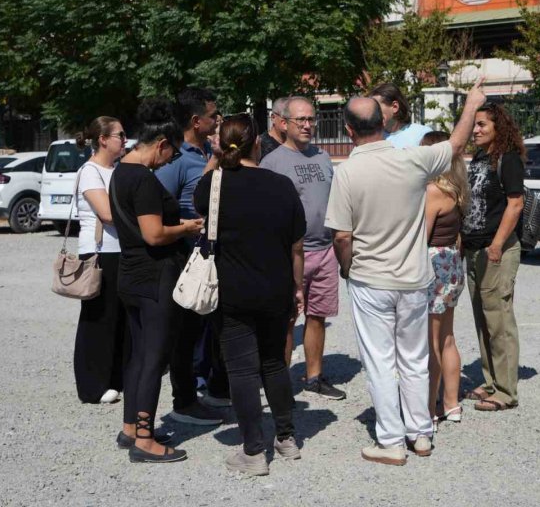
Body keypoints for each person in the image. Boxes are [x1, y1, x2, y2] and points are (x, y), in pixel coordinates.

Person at [325, 81, 484, 466]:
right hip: (414, 278)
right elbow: (458, 144)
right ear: (384, 121)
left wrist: (348, 268)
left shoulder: (347, 172)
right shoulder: (413, 158)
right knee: (414, 358)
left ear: (348, 130)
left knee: (381, 361)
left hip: (370, 278)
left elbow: (342, 235)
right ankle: (421, 433)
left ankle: (391, 441)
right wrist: (472, 103)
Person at [195, 113, 306, 477]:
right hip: (276, 289)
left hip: (233, 291)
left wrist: (215, 156)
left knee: (242, 369)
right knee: (274, 362)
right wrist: (298, 287)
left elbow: (200, 199)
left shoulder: (213, 184)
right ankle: (286, 437)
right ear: (257, 143)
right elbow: (296, 248)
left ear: (222, 144)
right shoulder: (281, 185)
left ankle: (254, 450)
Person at [110, 99, 204, 463]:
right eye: (172, 154)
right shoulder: (144, 181)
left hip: (131, 276)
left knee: (137, 355)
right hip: (154, 277)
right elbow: (153, 234)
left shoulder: (120, 171)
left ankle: (132, 427)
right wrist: (186, 226)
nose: (170, 161)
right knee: (153, 358)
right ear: (161, 143)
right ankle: (145, 441)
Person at [260, 97, 345, 400]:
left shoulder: (323, 157)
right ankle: (280, 384)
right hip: (289, 254)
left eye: (312, 119)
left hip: (325, 250)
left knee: (318, 315)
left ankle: (314, 376)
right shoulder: (272, 163)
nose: (308, 125)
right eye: (301, 120)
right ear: (283, 123)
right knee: (286, 319)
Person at [155, 88, 228, 425]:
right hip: (188, 260)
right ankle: (184, 401)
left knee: (213, 327)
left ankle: (212, 388)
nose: (218, 120)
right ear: (197, 121)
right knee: (184, 334)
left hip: (215, 255)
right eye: (213, 116)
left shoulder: (205, 153)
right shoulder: (176, 161)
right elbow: (159, 211)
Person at [461, 99, 526, 414]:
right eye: (474, 124)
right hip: (474, 249)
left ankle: (505, 390)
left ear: (498, 127)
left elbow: (515, 204)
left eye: (481, 124)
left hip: (495, 249)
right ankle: (490, 382)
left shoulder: (508, 159)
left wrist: (498, 245)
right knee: (482, 318)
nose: (475, 130)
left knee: (498, 320)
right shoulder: (479, 159)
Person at [73, 116, 128, 405]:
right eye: (120, 134)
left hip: (121, 250)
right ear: (103, 139)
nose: (125, 140)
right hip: (99, 251)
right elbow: (107, 214)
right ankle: (92, 385)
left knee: (120, 319)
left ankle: (116, 377)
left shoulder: (118, 169)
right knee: (98, 318)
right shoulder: (90, 171)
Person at [420, 130, 469, 429]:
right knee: (447, 338)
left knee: (430, 342)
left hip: (432, 263)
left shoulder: (433, 191)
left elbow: (420, 237)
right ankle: (451, 403)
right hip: (451, 261)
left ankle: (428, 409)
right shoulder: (457, 189)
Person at [369, 83, 432, 148]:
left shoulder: (421, 134)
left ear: (395, 107)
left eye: (376, 107)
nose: (371, 112)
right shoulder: (370, 138)